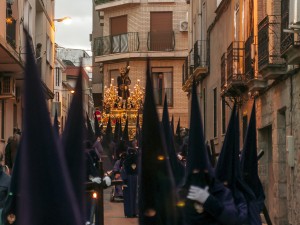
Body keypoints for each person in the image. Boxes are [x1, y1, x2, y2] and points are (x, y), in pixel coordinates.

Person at [121, 146, 138, 218]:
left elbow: (123, 171)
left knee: (128, 196)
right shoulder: (137, 160)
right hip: (136, 178)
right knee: (136, 196)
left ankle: (129, 212)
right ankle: (135, 212)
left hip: (128, 179)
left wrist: (124, 180)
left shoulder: (126, 161)